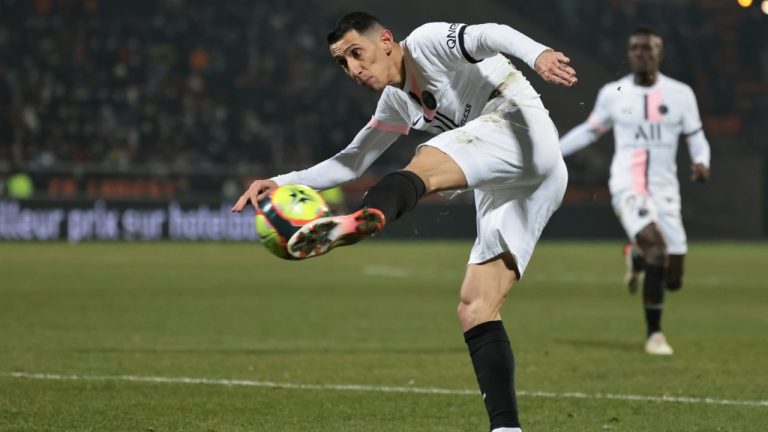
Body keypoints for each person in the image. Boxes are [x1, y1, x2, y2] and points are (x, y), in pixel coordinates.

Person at [233, 12, 576, 431]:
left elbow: (491, 33)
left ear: (386, 41)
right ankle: (507, 429)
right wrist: (280, 182)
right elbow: (352, 160)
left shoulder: (427, 43)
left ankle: (364, 218)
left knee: (424, 163)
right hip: (529, 179)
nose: (353, 69)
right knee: (476, 308)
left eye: (356, 53)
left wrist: (538, 54)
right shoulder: (396, 102)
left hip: (518, 124)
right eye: (342, 62)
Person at [559, 27, 711, 356]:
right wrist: (555, 151)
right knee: (658, 251)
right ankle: (655, 335)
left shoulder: (681, 94)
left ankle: (637, 255)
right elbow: (590, 131)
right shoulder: (613, 93)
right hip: (627, 183)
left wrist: (701, 162)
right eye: (636, 48)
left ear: (660, 52)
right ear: (629, 53)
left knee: (673, 278)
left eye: (648, 48)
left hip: (665, 188)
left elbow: (696, 136)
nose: (642, 53)